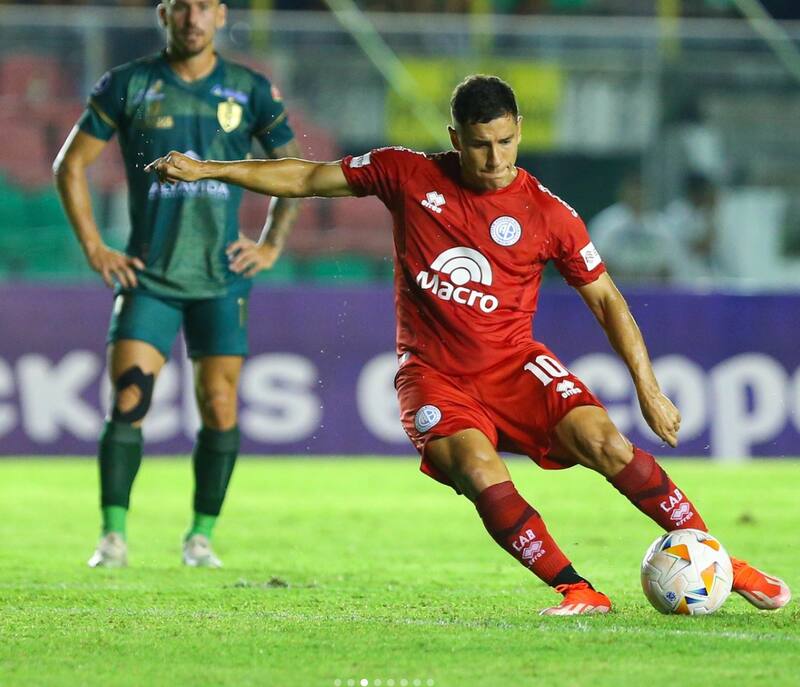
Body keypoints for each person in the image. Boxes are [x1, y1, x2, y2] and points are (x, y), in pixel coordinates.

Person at [146, 75, 790, 614]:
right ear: (456, 139)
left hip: (516, 365)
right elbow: (308, 177)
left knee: (607, 443)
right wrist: (210, 170)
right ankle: (577, 590)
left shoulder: (549, 213)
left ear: (517, 133)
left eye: (506, 142)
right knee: (483, 471)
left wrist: (648, 388)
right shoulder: (407, 174)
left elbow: (606, 300)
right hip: (433, 377)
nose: (495, 158)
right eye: (480, 145)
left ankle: (720, 563)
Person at [53, 0, 301, 568]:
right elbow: (70, 165)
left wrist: (271, 243)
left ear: (220, 15)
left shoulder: (249, 88)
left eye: (204, 7)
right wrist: (94, 247)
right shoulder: (130, 84)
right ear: (164, 14)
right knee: (130, 399)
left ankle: (200, 537)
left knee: (219, 404)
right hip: (150, 277)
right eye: (182, 7)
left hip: (221, 278)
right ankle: (112, 536)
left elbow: (292, 169)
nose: (193, 17)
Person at [589, 172, 679, 283]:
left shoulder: (662, 225)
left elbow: (673, 263)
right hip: (615, 289)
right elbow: (594, 261)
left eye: (642, 190)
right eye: (634, 189)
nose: (638, 194)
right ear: (623, 192)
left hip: (653, 291)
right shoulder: (606, 223)